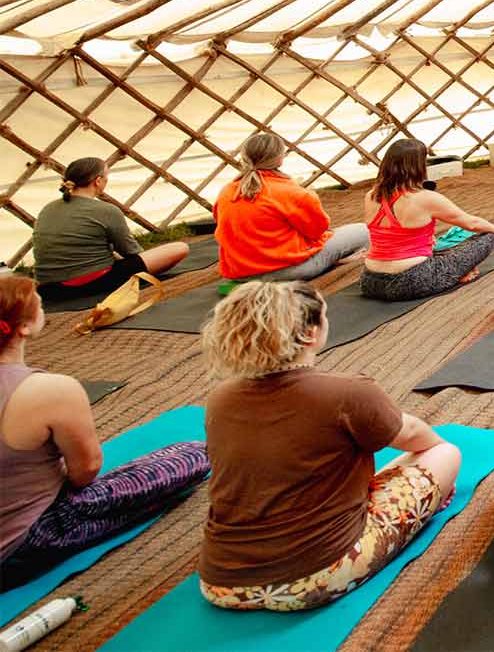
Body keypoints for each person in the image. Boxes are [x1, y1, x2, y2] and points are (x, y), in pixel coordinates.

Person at [198, 281, 463, 611]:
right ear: (311, 333)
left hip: (220, 584)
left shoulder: (220, 399)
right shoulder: (347, 392)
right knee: (445, 454)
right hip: (316, 577)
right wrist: (435, 463)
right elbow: (413, 435)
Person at [0, 275, 208, 577]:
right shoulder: (50, 390)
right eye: (40, 305)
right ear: (24, 327)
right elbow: (84, 472)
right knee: (192, 455)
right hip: (27, 541)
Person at [358, 139, 494, 302]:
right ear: (419, 166)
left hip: (370, 281)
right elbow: (472, 223)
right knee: (489, 236)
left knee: (436, 244)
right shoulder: (425, 198)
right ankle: (457, 275)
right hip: (409, 281)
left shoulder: (371, 195)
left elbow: (389, 234)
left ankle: (457, 272)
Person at [214, 132, 369, 281]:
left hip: (239, 272)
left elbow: (223, 224)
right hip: (288, 270)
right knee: (364, 231)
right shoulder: (293, 192)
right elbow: (318, 231)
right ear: (280, 160)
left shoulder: (226, 191)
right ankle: (335, 261)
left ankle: (333, 260)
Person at [30, 158, 189, 302]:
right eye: (106, 178)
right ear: (98, 181)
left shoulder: (48, 208)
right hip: (87, 283)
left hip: (48, 289)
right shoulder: (106, 210)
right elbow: (131, 252)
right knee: (180, 248)